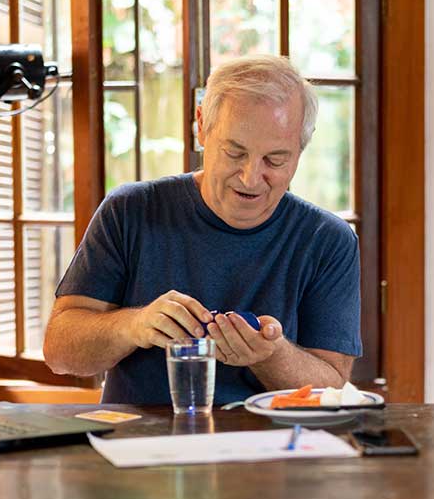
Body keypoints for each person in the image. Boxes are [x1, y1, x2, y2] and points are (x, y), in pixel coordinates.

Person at [43, 55, 361, 405]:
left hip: (273, 436)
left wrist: (271, 355)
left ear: (300, 149)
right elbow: (60, 353)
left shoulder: (328, 240)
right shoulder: (130, 210)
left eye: (275, 160)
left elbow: (333, 387)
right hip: (138, 434)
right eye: (235, 153)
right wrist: (134, 325)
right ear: (201, 127)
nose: (251, 178)